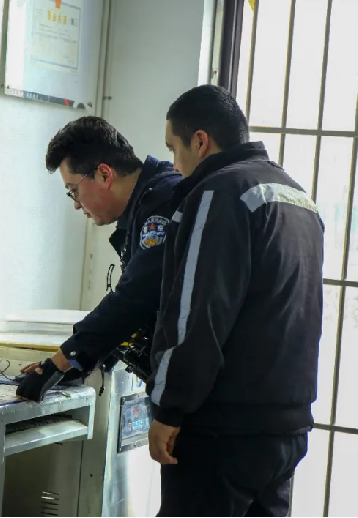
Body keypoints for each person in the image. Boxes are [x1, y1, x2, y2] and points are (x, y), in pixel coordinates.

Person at [147, 84, 325, 517]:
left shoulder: (219, 192)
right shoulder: (297, 195)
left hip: (222, 432)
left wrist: (169, 407)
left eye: (173, 149)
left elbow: (197, 313)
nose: (175, 166)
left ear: (200, 141)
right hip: (286, 425)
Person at [16, 116, 182, 401]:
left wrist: (61, 361)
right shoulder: (149, 201)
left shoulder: (163, 203)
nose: (76, 204)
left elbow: (135, 297)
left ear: (104, 174)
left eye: (74, 190)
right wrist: (82, 359)